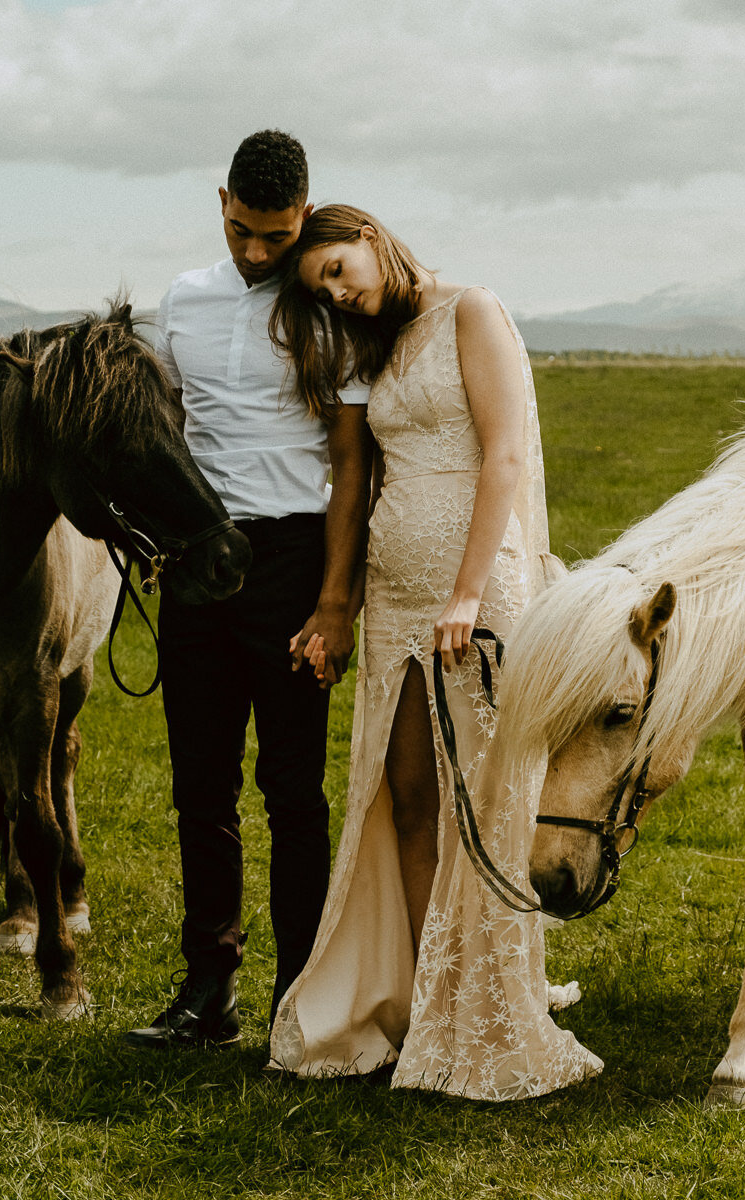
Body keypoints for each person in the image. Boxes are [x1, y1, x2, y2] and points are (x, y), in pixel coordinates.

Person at [265, 205, 601, 1099]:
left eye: (337, 269)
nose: (338, 292)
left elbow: (502, 458)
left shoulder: (471, 311)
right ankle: (426, 998)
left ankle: (492, 997)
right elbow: (359, 468)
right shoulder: (376, 343)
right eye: (321, 289)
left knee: (483, 798)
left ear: (370, 237)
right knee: (405, 790)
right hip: (395, 596)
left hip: (475, 590)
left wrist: (465, 590)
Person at [124, 132, 371, 1050]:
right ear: (220, 201)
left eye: (275, 235)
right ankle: (208, 989)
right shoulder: (182, 302)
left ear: (303, 214)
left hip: (295, 563)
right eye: (242, 232)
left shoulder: (329, 309)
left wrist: (335, 601)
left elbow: (350, 466)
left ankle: (296, 999)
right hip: (198, 560)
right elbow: (173, 433)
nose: (259, 253)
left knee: (294, 792)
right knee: (201, 787)